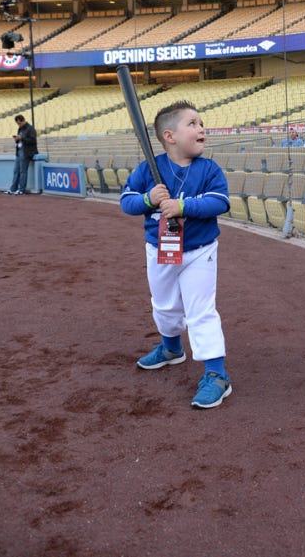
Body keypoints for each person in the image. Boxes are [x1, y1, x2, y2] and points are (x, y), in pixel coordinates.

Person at [120, 100, 232, 409]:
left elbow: (219, 202)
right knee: (165, 306)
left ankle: (216, 374)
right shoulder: (148, 169)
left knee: (201, 311)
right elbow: (126, 202)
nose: (201, 128)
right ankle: (171, 349)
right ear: (169, 136)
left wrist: (183, 206)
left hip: (199, 251)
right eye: (193, 123)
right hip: (159, 249)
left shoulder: (209, 169)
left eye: (201, 123)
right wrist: (148, 199)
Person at [4, 114, 38, 195]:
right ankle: (13, 189)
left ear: (23, 120)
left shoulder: (30, 129)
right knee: (16, 171)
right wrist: (17, 139)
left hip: (27, 152)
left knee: (23, 171)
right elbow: (20, 140)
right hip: (19, 151)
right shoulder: (20, 129)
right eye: (17, 124)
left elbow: (33, 141)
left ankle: (21, 189)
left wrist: (21, 138)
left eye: (19, 123)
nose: (19, 125)